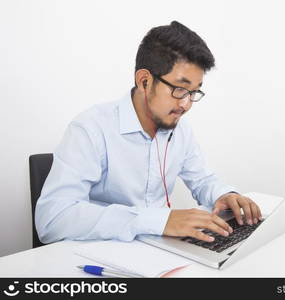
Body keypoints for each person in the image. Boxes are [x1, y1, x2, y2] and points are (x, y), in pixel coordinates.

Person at [35, 21, 262, 245]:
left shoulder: (179, 128)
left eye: (194, 92)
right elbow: (52, 220)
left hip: (162, 250)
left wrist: (224, 195)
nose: (186, 104)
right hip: (106, 255)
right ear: (144, 81)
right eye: (180, 89)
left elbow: (202, 178)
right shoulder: (91, 128)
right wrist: (158, 221)